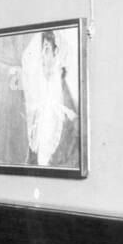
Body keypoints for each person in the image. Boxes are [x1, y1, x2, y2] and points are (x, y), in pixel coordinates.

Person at [26, 30, 79, 168]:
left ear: (57, 53)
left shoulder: (68, 112)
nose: (42, 57)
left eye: (47, 49)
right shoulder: (38, 113)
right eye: (41, 51)